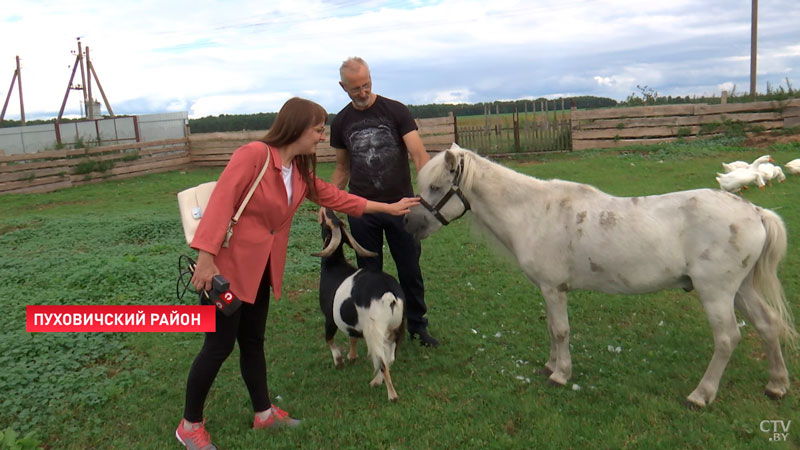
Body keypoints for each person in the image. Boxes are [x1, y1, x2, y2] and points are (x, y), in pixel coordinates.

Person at [177, 97, 419, 450]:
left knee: (253, 342)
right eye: (318, 130)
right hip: (225, 271)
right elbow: (221, 202)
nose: (322, 137)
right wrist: (206, 258)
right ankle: (190, 425)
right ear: (297, 127)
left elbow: (337, 198)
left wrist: (387, 206)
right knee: (217, 347)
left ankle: (264, 414)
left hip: (260, 270)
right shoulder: (254, 156)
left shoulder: (299, 171)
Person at [328, 57, 439, 347]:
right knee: (369, 273)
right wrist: (327, 204)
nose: (363, 93)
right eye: (355, 89)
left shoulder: (396, 111)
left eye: (366, 85)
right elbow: (342, 168)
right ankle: (375, 326)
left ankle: (417, 325)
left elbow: (418, 154)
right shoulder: (340, 122)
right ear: (343, 87)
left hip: (402, 207)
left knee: (410, 270)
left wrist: (426, 197)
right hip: (362, 211)